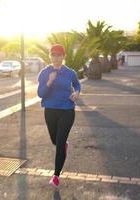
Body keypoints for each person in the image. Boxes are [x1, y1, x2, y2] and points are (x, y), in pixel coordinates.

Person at [37, 44, 81, 188]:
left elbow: (77, 84)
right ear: (50, 56)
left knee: (60, 144)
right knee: (55, 141)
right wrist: (49, 81)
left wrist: (77, 93)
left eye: (58, 55)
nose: (55, 57)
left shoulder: (70, 72)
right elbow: (40, 94)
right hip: (50, 111)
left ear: (63, 56)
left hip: (67, 110)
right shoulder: (44, 72)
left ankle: (56, 176)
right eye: (53, 55)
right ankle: (63, 146)